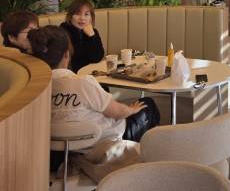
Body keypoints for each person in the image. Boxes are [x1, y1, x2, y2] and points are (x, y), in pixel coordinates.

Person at [29, 26, 160, 144]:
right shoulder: (83, 83)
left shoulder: (34, 89)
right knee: (148, 104)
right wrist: (131, 109)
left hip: (61, 146)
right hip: (102, 142)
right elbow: (118, 113)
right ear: (66, 54)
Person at [60, 0, 105, 73]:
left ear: (91, 17)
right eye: (78, 14)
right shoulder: (62, 32)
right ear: (70, 16)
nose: (82, 18)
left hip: (90, 72)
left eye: (86, 14)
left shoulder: (92, 32)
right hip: (71, 74)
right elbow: (74, 59)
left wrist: (91, 36)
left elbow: (97, 58)